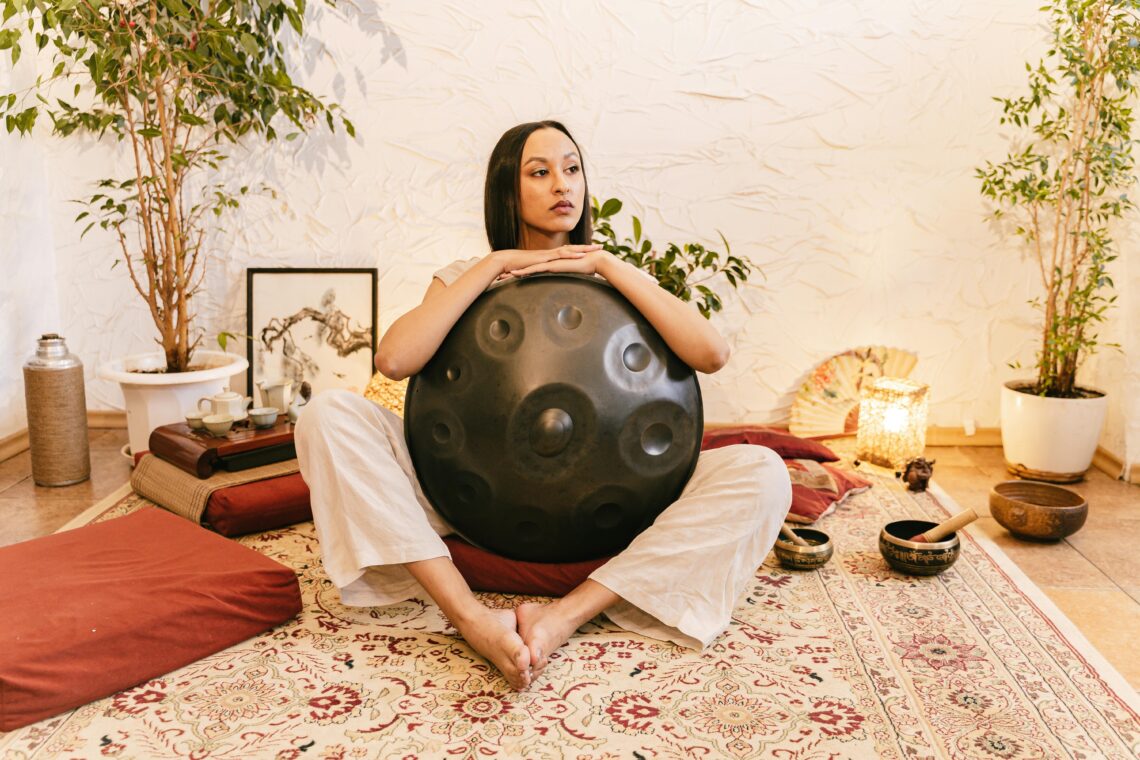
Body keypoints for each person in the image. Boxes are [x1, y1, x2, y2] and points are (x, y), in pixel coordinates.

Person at [295, 120, 792, 691]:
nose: (563, 184)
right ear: (507, 190)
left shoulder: (615, 275)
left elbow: (712, 353)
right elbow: (394, 359)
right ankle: (470, 618)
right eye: (540, 172)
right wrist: (493, 266)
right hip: (464, 497)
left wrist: (606, 265)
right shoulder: (465, 277)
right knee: (327, 416)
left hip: (615, 504)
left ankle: (563, 617)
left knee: (762, 472)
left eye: (572, 168)